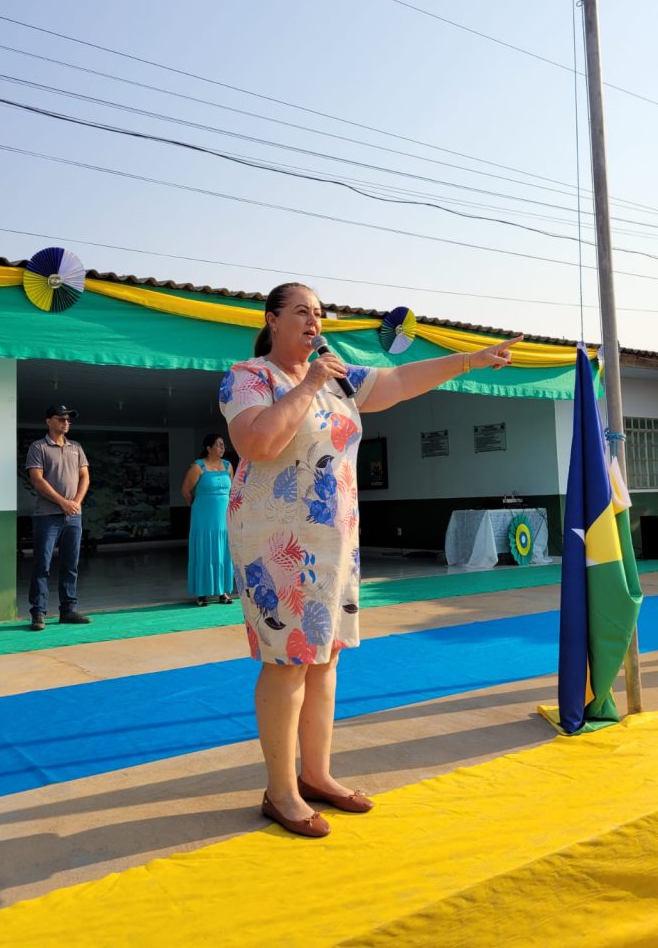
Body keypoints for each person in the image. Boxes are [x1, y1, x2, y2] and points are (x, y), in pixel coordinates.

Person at [220, 282, 520, 838]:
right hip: (276, 542)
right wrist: (309, 383)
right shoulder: (250, 377)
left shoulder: (341, 377)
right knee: (288, 661)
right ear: (272, 320)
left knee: (326, 657)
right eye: (301, 312)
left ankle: (316, 775)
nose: (314, 321)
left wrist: (469, 360)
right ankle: (280, 792)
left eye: (318, 313)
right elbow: (258, 444)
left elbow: (399, 382)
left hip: (334, 538)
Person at [26, 404, 91, 631]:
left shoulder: (76, 447)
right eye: (61, 419)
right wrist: (63, 502)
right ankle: (38, 613)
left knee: (70, 564)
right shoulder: (38, 447)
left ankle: (68, 610)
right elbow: (37, 480)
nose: (66, 423)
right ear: (48, 421)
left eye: (68, 420)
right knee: (42, 565)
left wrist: (76, 503)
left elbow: (85, 477)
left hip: (74, 516)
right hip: (47, 516)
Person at [181, 434, 235, 606]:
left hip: (224, 518)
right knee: (205, 551)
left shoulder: (228, 466)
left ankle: (222, 591)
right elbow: (185, 491)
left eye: (223, 445)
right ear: (209, 448)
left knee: (223, 552)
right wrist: (198, 506)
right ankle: (202, 593)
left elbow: (233, 491)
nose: (223, 448)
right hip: (203, 517)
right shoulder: (198, 467)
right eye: (219, 445)